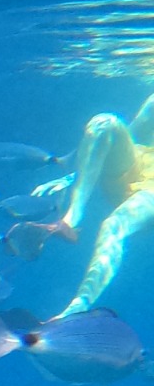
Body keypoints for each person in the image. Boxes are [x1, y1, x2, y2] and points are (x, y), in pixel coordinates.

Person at [41, 92, 154, 318]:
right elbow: (127, 138)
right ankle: (71, 217)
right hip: (138, 166)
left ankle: (79, 306)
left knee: (113, 225)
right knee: (104, 123)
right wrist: (72, 178)